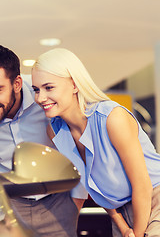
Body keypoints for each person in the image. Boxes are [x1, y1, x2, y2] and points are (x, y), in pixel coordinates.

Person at [0, 45, 86, 236]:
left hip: (58, 203)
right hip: (5, 207)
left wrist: (76, 202)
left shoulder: (44, 95)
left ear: (17, 84)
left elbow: (76, 143)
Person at [31, 47, 160, 237]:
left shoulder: (112, 118)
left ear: (75, 85)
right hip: (121, 214)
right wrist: (123, 226)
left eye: (49, 87)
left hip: (153, 201)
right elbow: (96, 187)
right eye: (36, 89)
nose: (40, 98)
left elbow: (142, 185)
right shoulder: (55, 131)